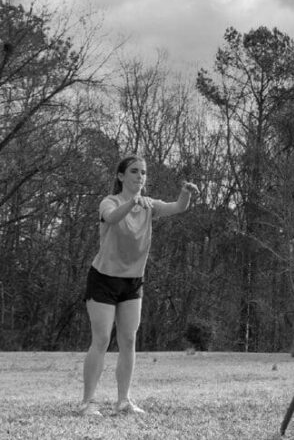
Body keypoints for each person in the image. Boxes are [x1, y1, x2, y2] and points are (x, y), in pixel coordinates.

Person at [77, 155, 199, 417]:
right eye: (134, 172)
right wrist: (132, 202)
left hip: (132, 281)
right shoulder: (109, 202)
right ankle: (88, 402)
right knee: (101, 340)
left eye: (143, 173)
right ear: (121, 176)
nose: (140, 177)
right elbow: (110, 218)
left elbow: (177, 207)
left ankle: (124, 401)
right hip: (103, 279)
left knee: (129, 339)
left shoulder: (149, 204)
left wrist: (185, 193)